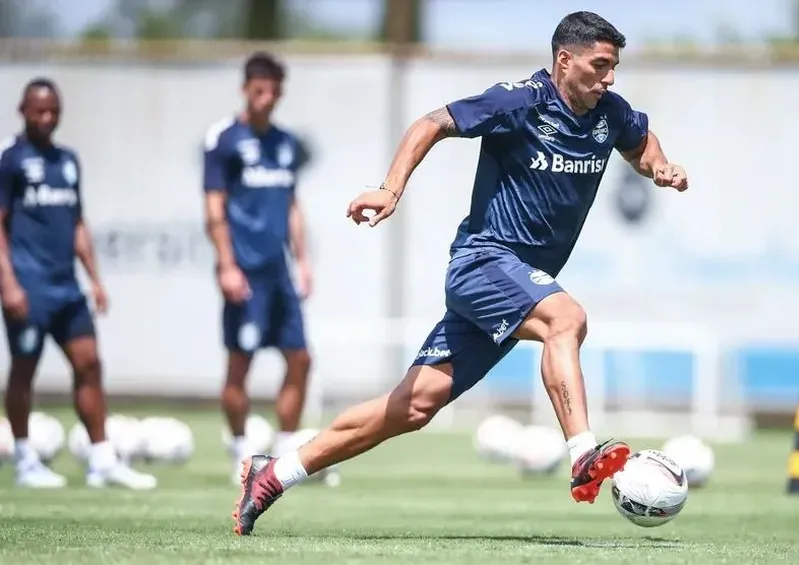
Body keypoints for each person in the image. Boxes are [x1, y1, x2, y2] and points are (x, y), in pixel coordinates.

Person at [231, 11, 688, 535]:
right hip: (483, 263)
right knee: (567, 318)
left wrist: (660, 166)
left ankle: (274, 473)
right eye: (600, 65)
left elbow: (640, 141)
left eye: (614, 68)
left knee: (411, 407)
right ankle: (583, 452)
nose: (609, 78)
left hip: (515, 284)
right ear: (565, 60)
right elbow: (431, 122)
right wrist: (390, 189)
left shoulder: (611, 112)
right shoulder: (519, 101)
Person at [0, 78, 156, 489]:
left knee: (89, 363)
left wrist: (96, 279)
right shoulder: (10, 160)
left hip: (67, 287)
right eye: (39, 111)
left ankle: (101, 460)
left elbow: (77, 223)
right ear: (23, 111)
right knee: (24, 369)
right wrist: (8, 283)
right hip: (28, 286)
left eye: (54, 111)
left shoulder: (67, 161)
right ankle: (24, 460)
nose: (47, 117)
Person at [202, 52, 323, 485]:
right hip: (244, 273)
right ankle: (239, 449)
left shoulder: (285, 143)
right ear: (245, 89)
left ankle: (287, 447)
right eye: (259, 90)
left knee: (301, 359)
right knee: (241, 364)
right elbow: (214, 208)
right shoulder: (224, 140)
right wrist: (226, 265)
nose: (266, 98)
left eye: (274, 91)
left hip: (279, 273)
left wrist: (304, 262)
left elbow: (292, 205)